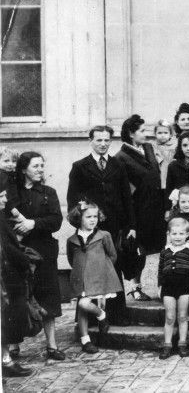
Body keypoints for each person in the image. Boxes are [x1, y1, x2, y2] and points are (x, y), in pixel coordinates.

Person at [67, 126, 136, 325]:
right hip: (91, 226)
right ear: (91, 141)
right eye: (99, 140)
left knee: (115, 266)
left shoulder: (118, 165)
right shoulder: (80, 166)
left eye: (107, 140)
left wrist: (131, 225)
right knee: (91, 270)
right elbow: (72, 199)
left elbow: (126, 197)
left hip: (115, 226)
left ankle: (118, 314)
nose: (103, 144)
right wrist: (83, 218)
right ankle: (91, 317)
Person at [15, 151, 65, 360]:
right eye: (35, 166)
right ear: (24, 169)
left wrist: (33, 224)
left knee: (48, 297)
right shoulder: (12, 192)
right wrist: (17, 229)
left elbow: (56, 220)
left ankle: (52, 346)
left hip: (44, 251)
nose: (40, 170)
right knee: (18, 296)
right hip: (18, 251)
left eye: (42, 166)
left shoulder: (48, 192)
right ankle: (13, 345)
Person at [117, 114, 165, 299]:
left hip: (155, 209)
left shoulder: (148, 148)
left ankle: (160, 288)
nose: (146, 134)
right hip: (137, 212)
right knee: (137, 251)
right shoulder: (121, 157)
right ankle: (134, 287)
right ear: (131, 133)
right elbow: (125, 189)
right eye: (142, 131)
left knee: (157, 249)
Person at [66, 200, 119, 354]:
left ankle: (102, 318)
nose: (93, 219)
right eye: (88, 216)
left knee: (86, 304)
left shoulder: (104, 235)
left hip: (99, 276)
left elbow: (112, 255)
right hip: (81, 278)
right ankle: (86, 339)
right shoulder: (72, 240)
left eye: (95, 216)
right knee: (82, 307)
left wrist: (102, 268)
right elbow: (72, 259)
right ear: (78, 218)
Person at [1, 175, 34, 378]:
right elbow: (7, 249)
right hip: (6, 280)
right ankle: (5, 361)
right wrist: (25, 262)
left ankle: (6, 359)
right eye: (2, 196)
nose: (5, 200)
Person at [158, 217, 189, 359]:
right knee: (170, 317)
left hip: (185, 287)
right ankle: (167, 345)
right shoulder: (165, 252)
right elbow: (160, 270)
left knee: (183, 316)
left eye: (181, 234)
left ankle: (182, 344)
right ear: (169, 234)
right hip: (168, 288)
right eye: (174, 234)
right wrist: (160, 286)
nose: (177, 237)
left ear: (187, 235)